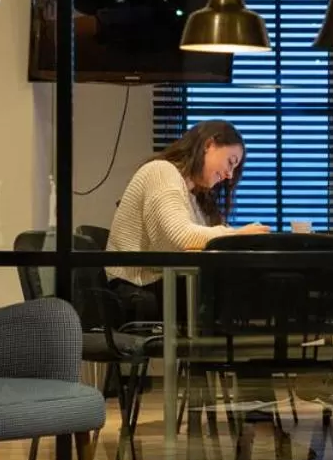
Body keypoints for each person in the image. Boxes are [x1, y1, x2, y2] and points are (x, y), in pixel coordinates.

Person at [106, 120, 267, 322]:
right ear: (209, 145)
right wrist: (237, 235)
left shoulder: (192, 195)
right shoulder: (161, 171)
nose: (229, 175)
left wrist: (235, 236)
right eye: (230, 161)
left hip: (160, 288)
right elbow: (181, 237)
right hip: (138, 291)